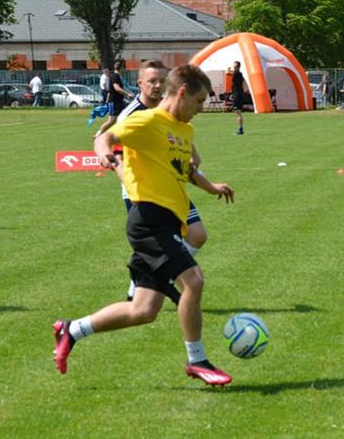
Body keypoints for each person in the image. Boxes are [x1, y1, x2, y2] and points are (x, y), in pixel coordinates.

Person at [53, 64, 235, 386]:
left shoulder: (184, 130)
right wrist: (104, 153)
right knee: (193, 281)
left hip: (168, 222)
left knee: (144, 310)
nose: (200, 109)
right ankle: (197, 360)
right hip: (149, 220)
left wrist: (211, 187)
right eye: (198, 101)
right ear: (182, 93)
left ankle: (72, 329)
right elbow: (106, 136)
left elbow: (185, 170)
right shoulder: (147, 121)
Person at [112, 60, 209, 303]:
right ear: (140, 83)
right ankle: (152, 285)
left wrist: (192, 154)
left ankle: (152, 283)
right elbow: (116, 155)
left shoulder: (169, 108)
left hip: (171, 187)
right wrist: (131, 186)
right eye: (152, 81)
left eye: (161, 81)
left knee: (197, 235)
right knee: (156, 248)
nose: (157, 86)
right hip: (144, 193)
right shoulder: (132, 115)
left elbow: (174, 131)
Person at [94, 62, 129, 138]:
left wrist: (107, 98)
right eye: (123, 68)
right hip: (114, 102)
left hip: (118, 101)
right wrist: (127, 94)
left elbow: (110, 90)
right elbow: (116, 88)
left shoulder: (114, 76)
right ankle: (98, 135)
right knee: (111, 121)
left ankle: (119, 136)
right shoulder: (115, 76)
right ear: (121, 68)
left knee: (123, 118)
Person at [230, 60, 246, 135]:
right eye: (233, 66)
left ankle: (240, 129)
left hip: (238, 95)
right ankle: (240, 129)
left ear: (238, 67)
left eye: (235, 67)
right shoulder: (238, 74)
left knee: (238, 112)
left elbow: (229, 73)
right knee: (237, 113)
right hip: (237, 94)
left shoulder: (237, 74)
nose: (234, 68)